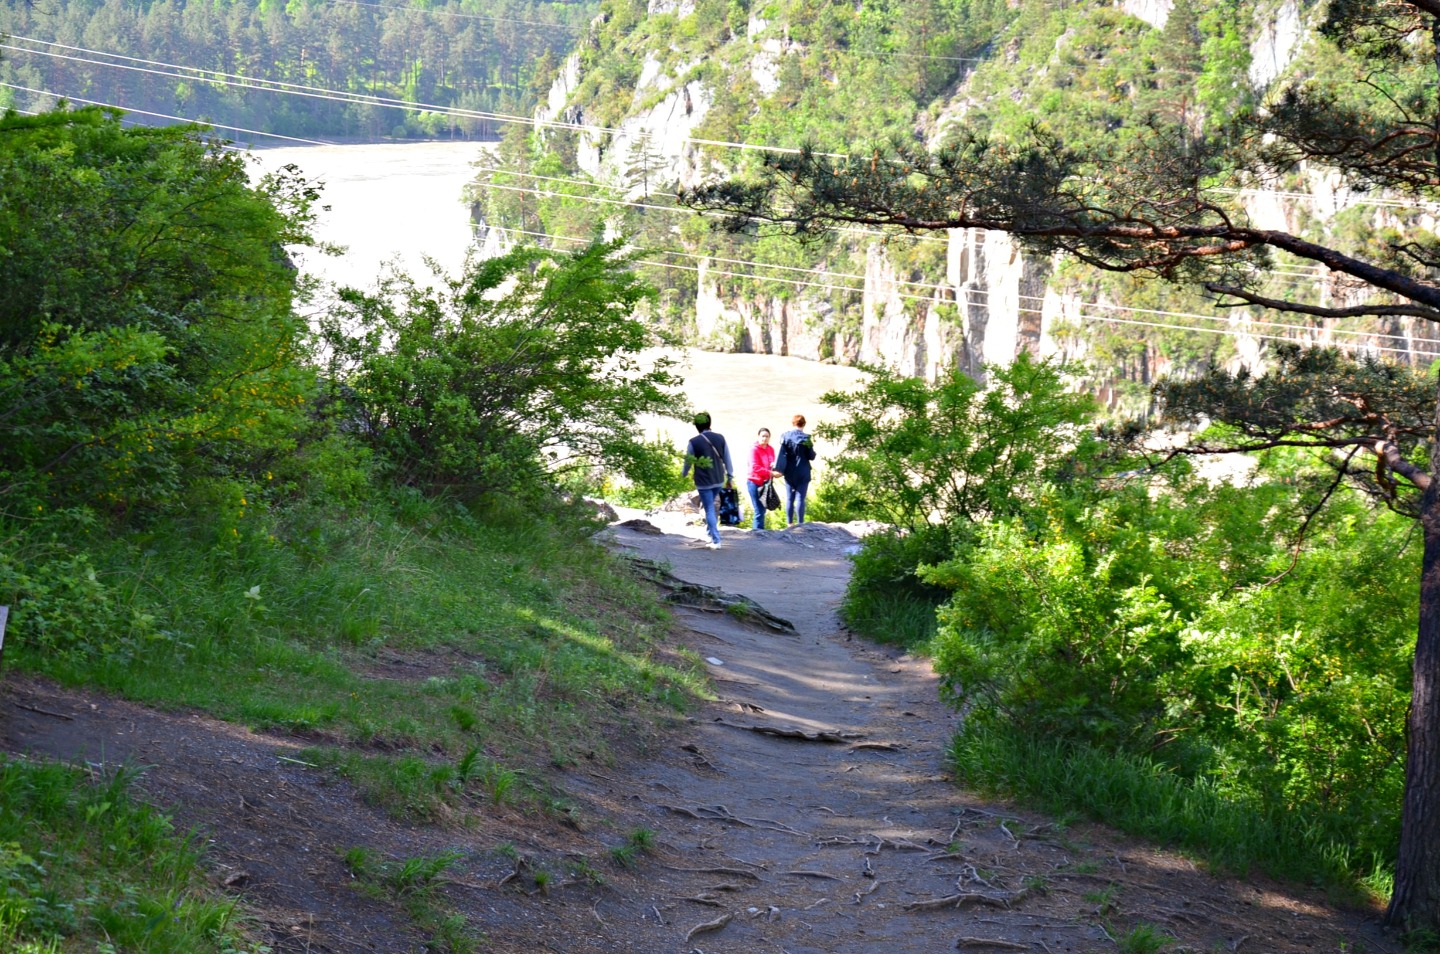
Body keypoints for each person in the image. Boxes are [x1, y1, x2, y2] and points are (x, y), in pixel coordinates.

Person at [681, 411, 734, 550]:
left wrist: (684, 473)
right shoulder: (720, 438)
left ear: (697, 425)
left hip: (703, 481)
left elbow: (688, 461)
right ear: (709, 423)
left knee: (709, 508)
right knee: (710, 507)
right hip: (718, 479)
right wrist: (730, 476)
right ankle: (709, 533)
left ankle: (716, 540)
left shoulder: (694, 442)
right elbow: (727, 458)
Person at [772, 413, 817, 526]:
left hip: (790, 471)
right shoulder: (807, 438)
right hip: (803, 471)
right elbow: (811, 456)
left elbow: (781, 455)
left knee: (789, 498)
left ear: (793, 423)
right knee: (800, 498)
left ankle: (789, 523)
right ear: (804, 424)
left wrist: (779, 469)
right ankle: (800, 524)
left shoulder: (785, 437)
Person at [745, 427, 776, 530]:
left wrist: (777, 470)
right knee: (759, 509)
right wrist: (770, 472)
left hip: (766, 483)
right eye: (763, 436)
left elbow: (773, 463)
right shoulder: (753, 449)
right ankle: (757, 534)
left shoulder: (771, 449)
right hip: (754, 482)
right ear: (758, 437)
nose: (765, 438)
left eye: (767, 436)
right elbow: (755, 467)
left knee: (763, 509)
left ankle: (760, 532)